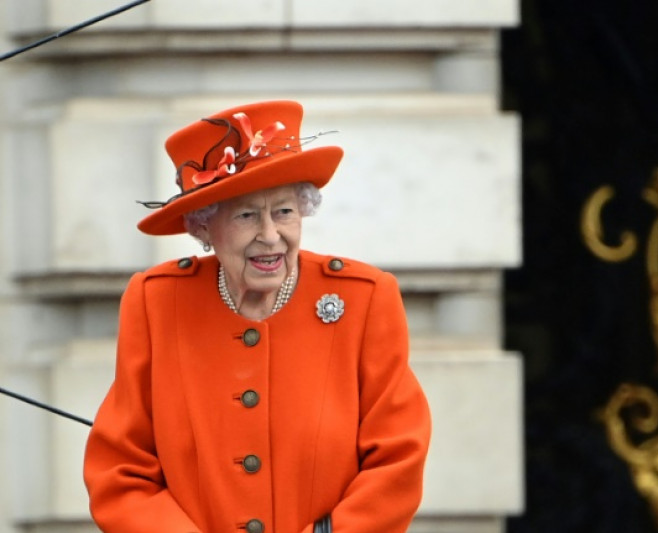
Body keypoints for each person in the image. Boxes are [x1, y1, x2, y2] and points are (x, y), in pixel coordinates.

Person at [83, 100, 432, 533]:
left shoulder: (363, 300)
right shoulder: (157, 303)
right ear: (204, 226)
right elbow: (120, 472)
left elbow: (398, 459)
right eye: (247, 215)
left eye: (284, 211)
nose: (270, 236)